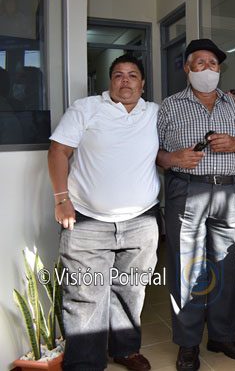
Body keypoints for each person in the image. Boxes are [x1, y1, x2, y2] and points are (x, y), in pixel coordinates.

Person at [157, 39, 235, 371]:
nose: (207, 68)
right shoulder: (169, 106)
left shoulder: (233, 104)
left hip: (231, 193)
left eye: (213, 63)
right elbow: (151, 152)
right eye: (200, 63)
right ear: (187, 68)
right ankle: (188, 343)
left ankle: (223, 335)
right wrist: (173, 158)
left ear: (220, 69)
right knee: (187, 267)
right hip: (187, 191)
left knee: (228, 265)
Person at [48, 54, 159, 371]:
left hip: (141, 221)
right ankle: (84, 363)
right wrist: (61, 199)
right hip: (87, 220)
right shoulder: (86, 108)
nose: (125, 80)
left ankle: (125, 350)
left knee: (131, 290)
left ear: (142, 84)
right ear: (109, 82)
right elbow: (58, 151)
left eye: (132, 75)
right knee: (86, 294)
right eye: (118, 75)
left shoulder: (155, 113)